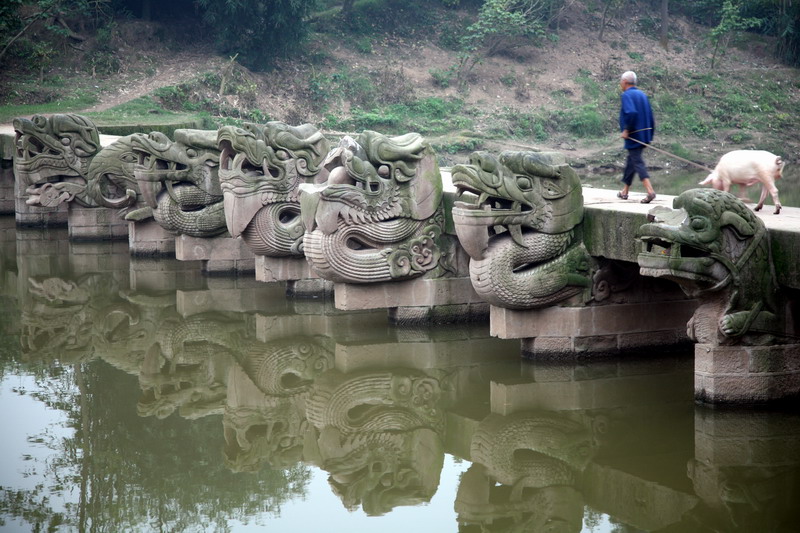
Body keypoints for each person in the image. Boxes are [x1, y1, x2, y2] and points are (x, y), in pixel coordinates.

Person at [617, 71, 656, 203]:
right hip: (644, 134)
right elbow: (651, 116)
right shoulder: (642, 95)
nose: (620, 84)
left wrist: (626, 129)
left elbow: (631, 112)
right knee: (631, 161)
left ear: (625, 82)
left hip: (634, 135)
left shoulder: (627, 95)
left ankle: (650, 191)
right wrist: (649, 135)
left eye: (621, 81)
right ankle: (625, 191)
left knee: (637, 161)